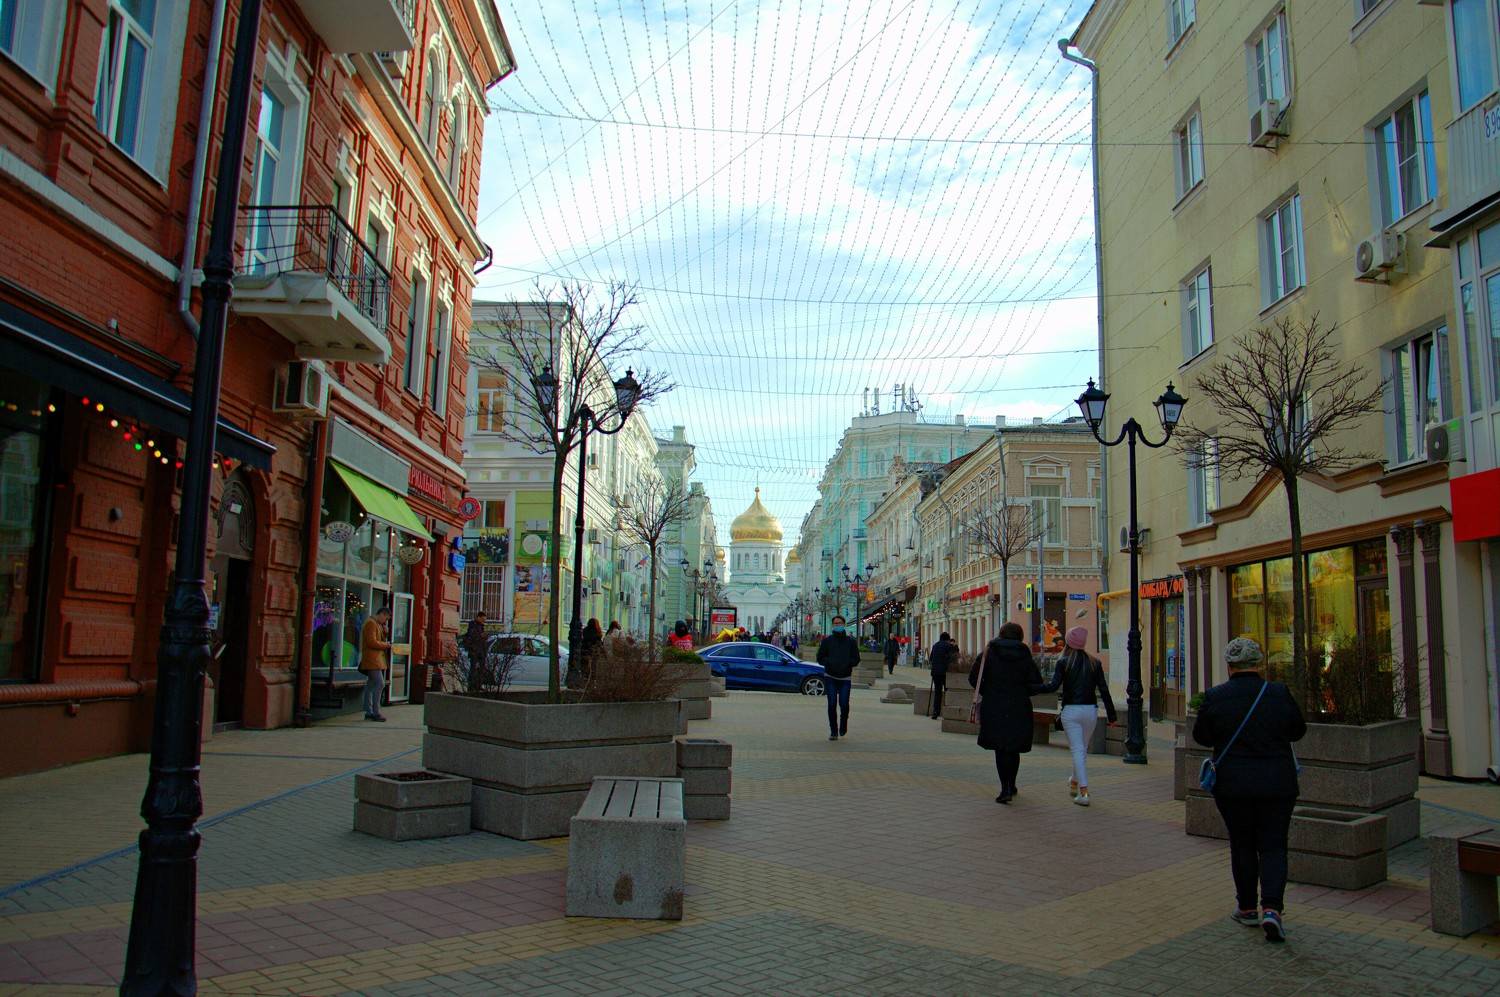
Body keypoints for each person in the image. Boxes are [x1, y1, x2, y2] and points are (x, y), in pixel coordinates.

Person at [1193, 637, 1306, 944]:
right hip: (1278, 783)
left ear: (1229, 665)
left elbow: (1202, 736)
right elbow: (1298, 730)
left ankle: (1246, 907)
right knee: (1274, 845)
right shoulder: (1278, 693)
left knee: (1242, 844)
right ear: (1259, 664)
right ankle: (1272, 908)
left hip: (1234, 784)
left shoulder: (1216, 696)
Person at [1035, 626, 1117, 806]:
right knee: (1081, 749)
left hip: (1071, 711)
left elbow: (1053, 686)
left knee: (1078, 750)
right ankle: (1074, 781)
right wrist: (1112, 716)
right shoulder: (1095, 663)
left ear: (1068, 642)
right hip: (1090, 711)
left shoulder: (1064, 662)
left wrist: (1032, 688)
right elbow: (1104, 690)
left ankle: (1084, 792)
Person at [969, 622, 1044, 804]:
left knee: (1000, 748)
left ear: (1001, 634)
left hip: (994, 706)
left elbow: (973, 678)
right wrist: (1022, 692)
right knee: (1013, 747)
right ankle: (1012, 784)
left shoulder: (989, 652)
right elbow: (1036, 683)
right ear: (1019, 636)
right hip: (1019, 706)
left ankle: (1005, 789)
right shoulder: (1024, 655)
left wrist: (990, 691)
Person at [816, 615, 860, 741]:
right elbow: (820, 657)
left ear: (844, 624)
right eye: (835, 623)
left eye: (839, 623)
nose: (837, 625)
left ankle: (843, 724)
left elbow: (856, 658)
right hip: (830, 677)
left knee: (844, 704)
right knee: (832, 704)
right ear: (832, 625)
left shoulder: (851, 642)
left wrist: (848, 664)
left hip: (845, 678)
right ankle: (833, 731)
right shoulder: (827, 641)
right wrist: (829, 662)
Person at [359, 606, 392, 722]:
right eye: (386, 618)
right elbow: (371, 642)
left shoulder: (377, 624)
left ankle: (369, 711)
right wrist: (387, 645)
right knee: (380, 683)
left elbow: (378, 639)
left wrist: (385, 632)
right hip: (373, 660)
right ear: (382, 614)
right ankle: (375, 711)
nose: (385, 621)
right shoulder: (371, 623)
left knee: (371, 684)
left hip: (375, 660)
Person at [928, 631, 958, 719]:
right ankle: (948, 712)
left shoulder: (935, 646)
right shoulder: (949, 646)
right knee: (947, 691)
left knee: (938, 692)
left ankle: (935, 712)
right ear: (948, 639)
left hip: (935, 672)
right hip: (945, 672)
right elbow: (953, 659)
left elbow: (931, 658)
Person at [572, 618, 604, 688]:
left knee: (584, 670)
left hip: (584, 652)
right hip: (592, 654)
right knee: (593, 670)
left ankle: (584, 683)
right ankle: (591, 684)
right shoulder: (597, 633)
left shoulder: (585, 631)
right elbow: (598, 644)